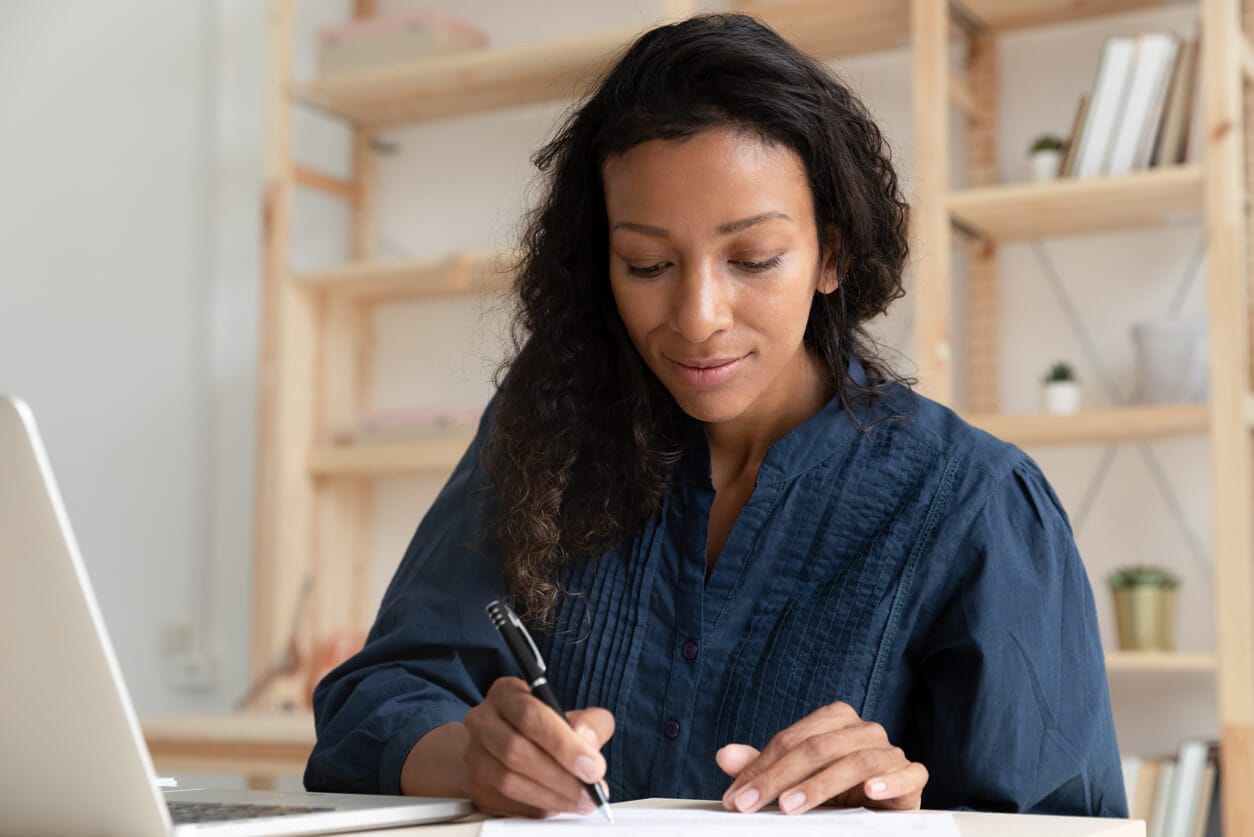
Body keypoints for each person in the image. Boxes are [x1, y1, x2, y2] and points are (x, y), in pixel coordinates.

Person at [304, 13, 1128, 819]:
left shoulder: (976, 504)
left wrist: (900, 817)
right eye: (647, 263)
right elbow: (376, 701)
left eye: (754, 259)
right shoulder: (545, 432)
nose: (697, 316)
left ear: (831, 254)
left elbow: (1056, 820)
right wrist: (474, 758)